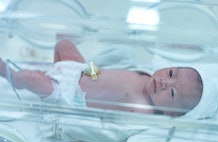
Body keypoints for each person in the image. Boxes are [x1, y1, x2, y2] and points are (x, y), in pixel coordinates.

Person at [0, 39, 203, 117]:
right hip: (84, 70)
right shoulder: (145, 74)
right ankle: (52, 73)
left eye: (172, 92)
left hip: (72, 96)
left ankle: (9, 74)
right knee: (63, 44)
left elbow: (114, 125)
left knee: (27, 78)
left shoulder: (144, 109)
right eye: (170, 74)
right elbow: (107, 73)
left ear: (170, 113)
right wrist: (89, 69)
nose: (164, 82)